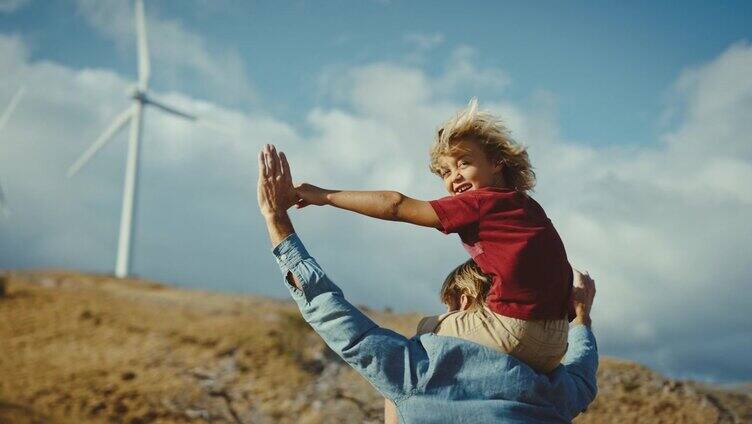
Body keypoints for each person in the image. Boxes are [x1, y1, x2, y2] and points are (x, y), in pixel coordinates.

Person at [257, 144, 598, 423]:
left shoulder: (420, 370)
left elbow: (332, 314)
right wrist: (581, 317)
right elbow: (582, 376)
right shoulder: (550, 390)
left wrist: (276, 221)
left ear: (465, 301)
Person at [294, 99, 573, 373]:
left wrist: (324, 196)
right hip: (557, 342)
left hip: (514, 328)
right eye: (446, 172)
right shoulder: (526, 206)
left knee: (424, 334)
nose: (455, 177)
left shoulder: (479, 202)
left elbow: (395, 204)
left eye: (464, 163)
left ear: (497, 162)